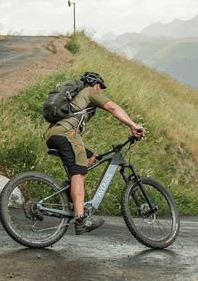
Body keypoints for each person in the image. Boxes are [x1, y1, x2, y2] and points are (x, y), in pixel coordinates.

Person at [45, 71, 145, 235]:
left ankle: (67, 191)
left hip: (54, 134)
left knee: (90, 156)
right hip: (67, 134)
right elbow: (112, 107)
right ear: (96, 85)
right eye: (100, 87)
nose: (100, 91)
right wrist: (133, 126)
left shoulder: (78, 96)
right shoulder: (91, 91)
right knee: (79, 172)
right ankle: (81, 220)